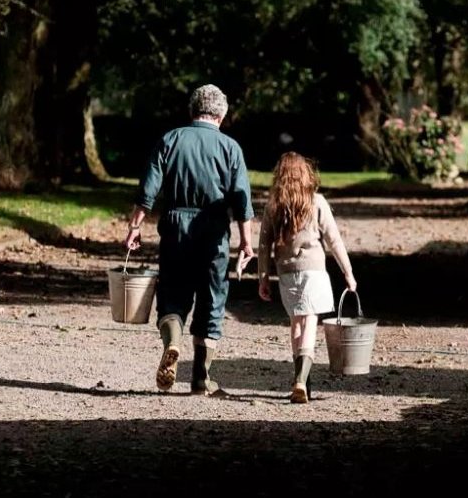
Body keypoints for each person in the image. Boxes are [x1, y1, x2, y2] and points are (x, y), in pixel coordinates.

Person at [123, 84, 254, 396]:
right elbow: (242, 201)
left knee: (172, 292)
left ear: (192, 110)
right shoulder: (230, 148)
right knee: (212, 300)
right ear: (221, 115)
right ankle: (200, 378)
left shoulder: (171, 139)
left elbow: (148, 191)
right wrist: (246, 243)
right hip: (214, 231)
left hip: (175, 226)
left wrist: (135, 227)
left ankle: (173, 342)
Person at [257, 152, 357, 404]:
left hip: (287, 273)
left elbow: (263, 245)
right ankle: (302, 380)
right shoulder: (317, 201)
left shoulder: (273, 205)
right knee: (311, 322)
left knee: (296, 324)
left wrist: (263, 277)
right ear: (306, 175)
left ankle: (301, 380)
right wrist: (348, 272)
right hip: (314, 271)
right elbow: (334, 240)